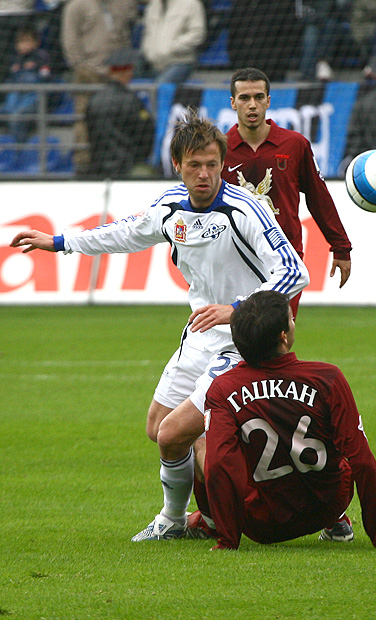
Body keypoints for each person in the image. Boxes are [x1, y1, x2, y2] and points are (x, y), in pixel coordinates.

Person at [10, 109, 310, 542]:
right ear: (177, 165)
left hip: (242, 342)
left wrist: (237, 309)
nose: (204, 174)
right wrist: (58, 242)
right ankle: (206, 514)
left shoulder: (245, 210)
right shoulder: (170, 207)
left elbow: (294, 271)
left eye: (212, 164)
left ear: (222, 163)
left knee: (186, 434)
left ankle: (199, 517)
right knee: (159, 427)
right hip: (200, 337)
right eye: (195, 165)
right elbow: (124, 232)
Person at [200, 290, 376, 550]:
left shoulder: (223, 388)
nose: (294, 323)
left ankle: (207, 524)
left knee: (202, 444)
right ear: (283, 336)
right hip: (329, 505)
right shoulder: (327, 378)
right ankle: (338, 523)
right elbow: (361, 460)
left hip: (261, 524)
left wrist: (228, 540)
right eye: (291, 319)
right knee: (342, 452)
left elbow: (219, 465)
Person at [222, 67, 352, 317]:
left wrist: (341, 247)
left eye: (259, 97)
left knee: (279, 331)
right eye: (244, 98)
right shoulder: (220, 149)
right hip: (236, 257)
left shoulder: (294, 144)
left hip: (284, 258)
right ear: (233, 103)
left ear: (268, 101)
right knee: (238, 333)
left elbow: (319, 198)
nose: (252, 105)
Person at [60, 0, 138, 175]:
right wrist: (81, 66)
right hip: (89, 73)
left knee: (116, 118)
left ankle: (115, 159)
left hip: (115, 73)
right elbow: (70, 40)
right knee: (83, 118)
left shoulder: (119, 4)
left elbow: (124, 35)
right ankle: (83, 162)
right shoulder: (76, 6)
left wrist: (123, 65)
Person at [85, 48, 155, 178]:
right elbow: (146, 132)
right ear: (127, 72)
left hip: (98, 168)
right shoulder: (131, 100)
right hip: (126, 167)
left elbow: (90, 132)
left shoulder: (94, 100)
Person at [0, 25, 51, 144]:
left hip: (33, 98)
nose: (23, 45)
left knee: (16, 117)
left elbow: (45, 77)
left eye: (27, 41)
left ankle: (20, 149)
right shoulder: (14, 60)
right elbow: (9, 81)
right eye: (20, 42)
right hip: (14, 98)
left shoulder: (41, 57)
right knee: (8, 112)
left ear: (36, 43)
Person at [138, 0, 207, 85]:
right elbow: (147, 32)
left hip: (180, 61)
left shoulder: (191, 3)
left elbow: (197, 33)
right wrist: (148, 50)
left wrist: (172, 47)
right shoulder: (152, 5)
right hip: (154, 63)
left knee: (161, 88)